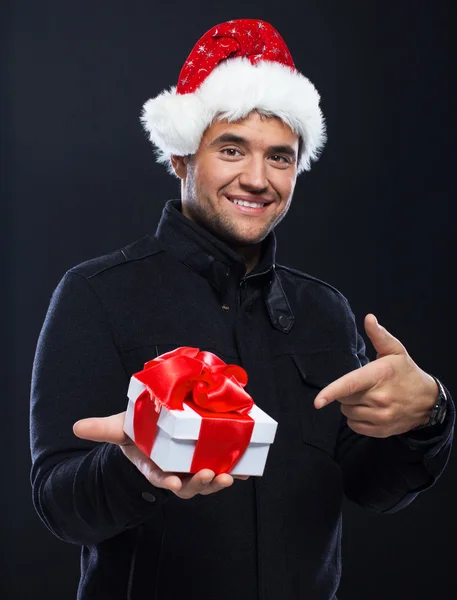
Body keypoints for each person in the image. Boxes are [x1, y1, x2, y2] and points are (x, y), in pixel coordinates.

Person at [30, 18, 454, 600]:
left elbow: (374, 488)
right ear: (180, 157)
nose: (258, 179)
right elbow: (59, 505)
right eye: (232, 149)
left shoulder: (325, 312)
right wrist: (135, 469)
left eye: (280, 158)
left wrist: (428, 417)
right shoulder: (96, 294)